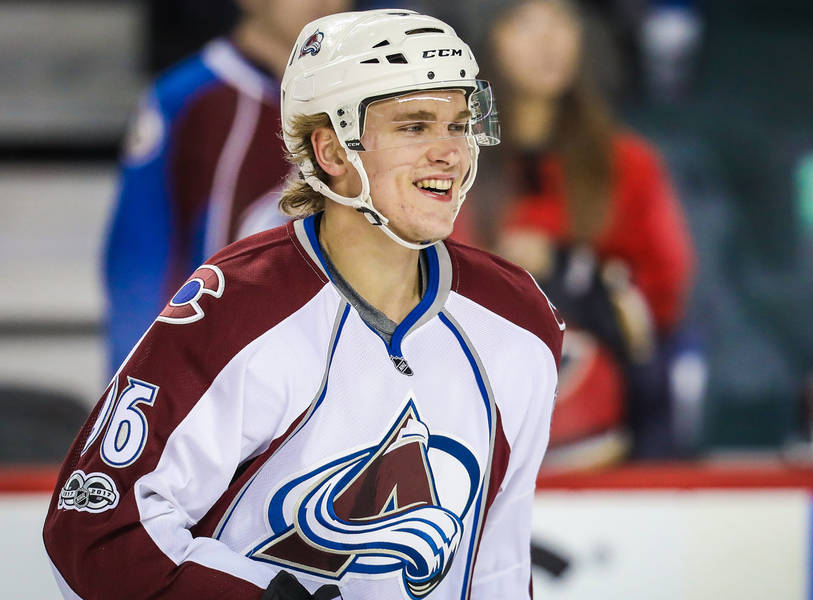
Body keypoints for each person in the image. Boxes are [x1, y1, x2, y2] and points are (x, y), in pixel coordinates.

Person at [44, 9, 563, 600]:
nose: (450, 151)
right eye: (415, 127)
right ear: (332, 151)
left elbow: (496, 562)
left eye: (459, 124)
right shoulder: (233, 311)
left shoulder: (521, 320)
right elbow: (96, 535)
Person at [454, 0, 693, 465]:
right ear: (484, 38)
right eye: (522, 21)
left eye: (561, 18)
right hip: (465, 428)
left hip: (600, 428)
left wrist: (569, 268)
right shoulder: (446, 159)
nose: (548, 40)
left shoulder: (626, 163)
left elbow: (663, 295)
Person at [104, 0, 351, 373]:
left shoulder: (373, 101)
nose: (325, 2)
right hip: (214, 381)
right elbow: (139, 264)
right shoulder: (187, 100)